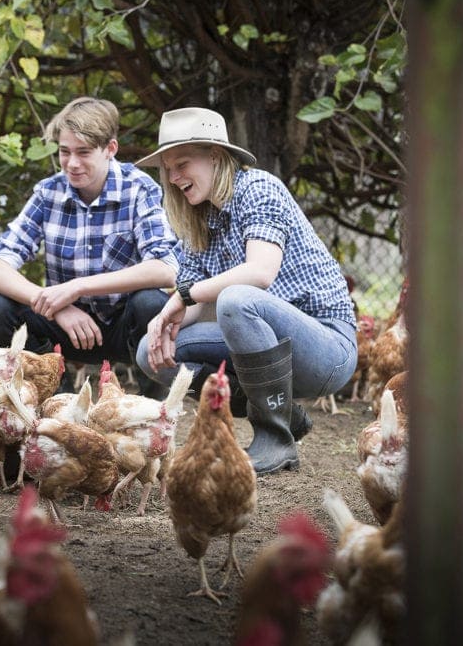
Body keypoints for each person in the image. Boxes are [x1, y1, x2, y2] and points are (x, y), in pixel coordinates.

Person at [135, 107, 357, 475]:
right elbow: (191, 296)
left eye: (183, 164)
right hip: (262, 344)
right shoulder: (201, 217)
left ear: (216, 156)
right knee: (152, 352)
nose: (173, 177)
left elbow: (259, 272)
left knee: (236, 299)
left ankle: (274, 438)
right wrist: (164, 320)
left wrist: (183, 296)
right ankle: (283, 412)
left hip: (326, 348)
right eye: (167, 169)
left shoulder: (259, 188)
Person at [0, 96, 181, 390]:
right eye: (65, 152)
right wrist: (55, 304)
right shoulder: (48, 193)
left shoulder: (139, 188)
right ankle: (56, 398)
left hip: (122, 328)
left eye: (83, 152)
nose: (72, 164)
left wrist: (78, 287)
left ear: (110, 149)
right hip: (64, 331)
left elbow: (165, 268)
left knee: (151, 303)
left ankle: (149, 409)